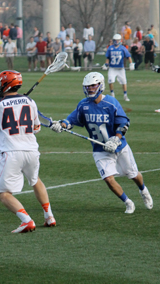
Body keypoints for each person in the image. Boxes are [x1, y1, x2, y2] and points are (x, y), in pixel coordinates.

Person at [49, 72, 153, 214]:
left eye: (93, 85)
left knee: (133, 174)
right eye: (87, 86)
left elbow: (124, 123)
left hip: (119, 146)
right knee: (108, 179)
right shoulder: (83, 105)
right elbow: (71, 120)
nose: (90, 88)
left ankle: (143, 191)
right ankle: (128, 202)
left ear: (100, 85)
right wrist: (61, 125)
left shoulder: (111, 103)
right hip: (100, 149)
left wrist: (116, 139)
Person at [0, 70, 57, 233]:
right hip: (31, 151)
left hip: (11, 153)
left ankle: (27, 220)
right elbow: (36, 128)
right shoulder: (30, 101)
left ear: (6, 85)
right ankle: (49, 216)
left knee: (3, 194)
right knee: (35, 180)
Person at [104, 34, 133, 101]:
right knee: (110, 80)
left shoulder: (123, 48)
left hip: (120, 68)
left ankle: (125, 95)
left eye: (118, 40)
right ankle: (112, 94)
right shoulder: (110, 48)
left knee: (124, 82)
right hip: (112, 68)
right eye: (115, 40)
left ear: (120, 40)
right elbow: (108, 57)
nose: (116, 42)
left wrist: (131, 63)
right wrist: (106, 64)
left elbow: (128, 56)